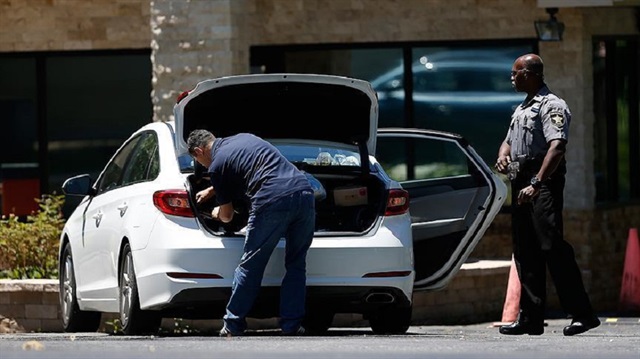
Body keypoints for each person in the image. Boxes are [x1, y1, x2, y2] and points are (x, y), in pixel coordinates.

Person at [494, 54, 600, 336]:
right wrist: (503, 156)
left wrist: (537, 182)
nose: (512, 78)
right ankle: (531, 317)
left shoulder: (552, 105)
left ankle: (583, 314)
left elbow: (557, 147)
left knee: (551, 245)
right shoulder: (521, 108)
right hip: (520, 180)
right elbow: (508, 140)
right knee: (525, 250)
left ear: (530, 73)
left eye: (515, 73)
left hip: (542, 180)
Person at [187, 129, 315, 337]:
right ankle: (292, 325)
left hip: (272, 200)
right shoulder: (245, 138)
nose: (202, 166)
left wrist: (216, 212)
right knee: (296, 264)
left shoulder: (217, 165)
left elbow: (227, 216)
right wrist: (213, 190)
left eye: (198, 161)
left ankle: (233, 324)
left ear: (199, 151)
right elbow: (247, 169)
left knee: (250, 266)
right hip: (304, 194)